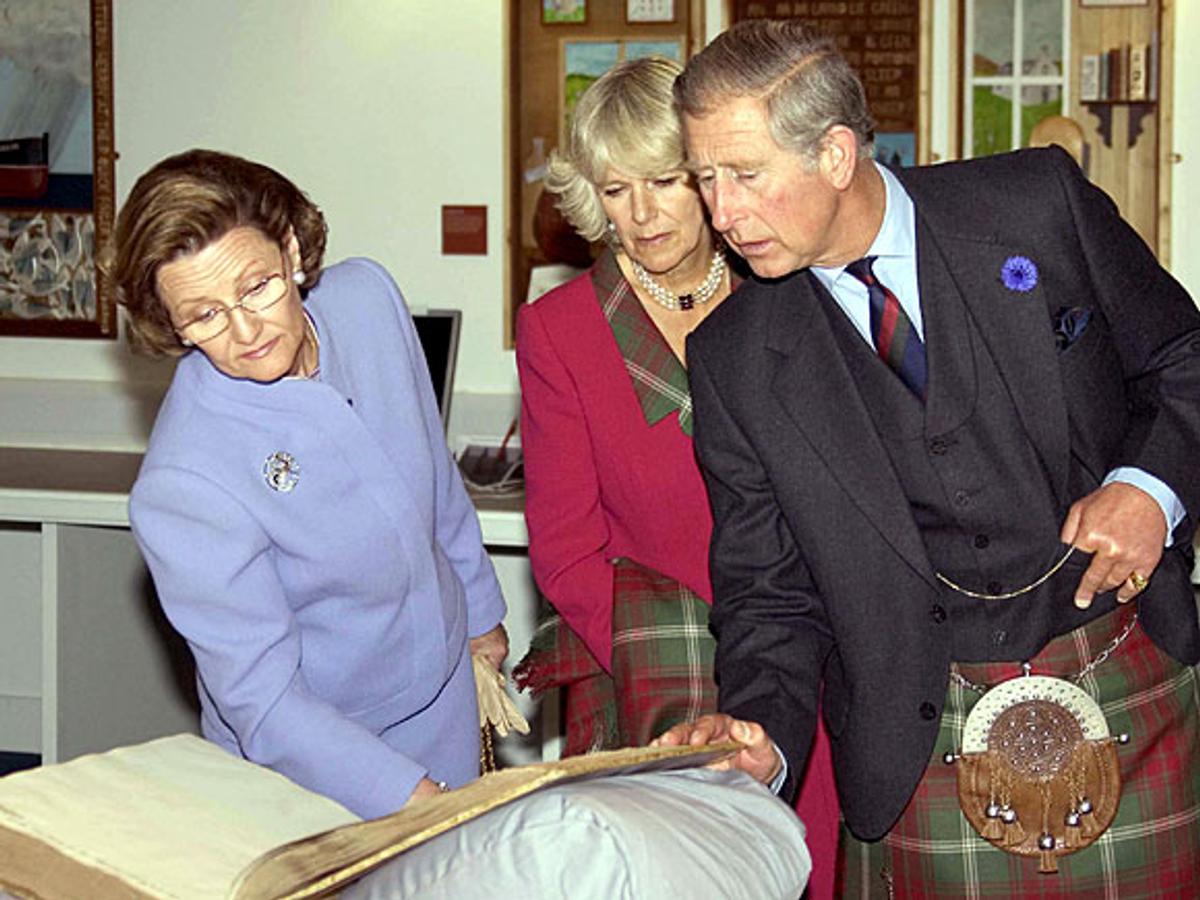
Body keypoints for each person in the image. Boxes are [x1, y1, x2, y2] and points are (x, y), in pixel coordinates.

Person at [655, 19, 1200, 896]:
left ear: (836, 154)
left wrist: (1150, 489)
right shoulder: (734, 358)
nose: (721, 214)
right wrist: (759, 734)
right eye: (704, 177)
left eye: (746, 175)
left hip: (1131, 681)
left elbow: (1184, 359)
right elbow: (767, 593)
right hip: (921, 746)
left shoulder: (1036, 206)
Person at [511, 56, 839, 895]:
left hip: (808, 661)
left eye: (664, 180)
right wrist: (688, 661)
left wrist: (779, 652)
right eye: (616, 190)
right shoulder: (560, 330)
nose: (642, 213)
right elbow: (566, 553)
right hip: (652, 683)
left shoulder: (785, 289)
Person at [108, 149, 508, 820]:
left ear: (291, 249)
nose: (245, 331)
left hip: (444, 695)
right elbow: (264, 702)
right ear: (172, 325)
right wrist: (411, 799)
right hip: (313, 758)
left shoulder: (367, 301)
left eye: (257, 287)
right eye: (204, 317)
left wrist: (480, 614)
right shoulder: (183, 481)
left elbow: (433, 473)